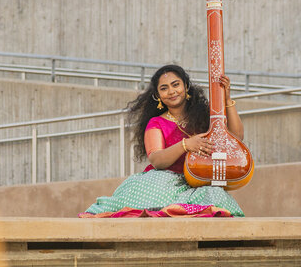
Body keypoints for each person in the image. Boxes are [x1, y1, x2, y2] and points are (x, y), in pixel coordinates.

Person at [80, 64, 245, 218]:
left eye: (175, 85)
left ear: (186, 86)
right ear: (158, 95)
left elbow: (236, 137)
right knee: (156, 197)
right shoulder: (156, 123)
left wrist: (227, 99)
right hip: (164, 182)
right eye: (164, 88)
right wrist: (186, 145)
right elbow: (157, 160)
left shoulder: (205, 116)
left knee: (217, 196)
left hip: (198, 183)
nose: (172, 91)